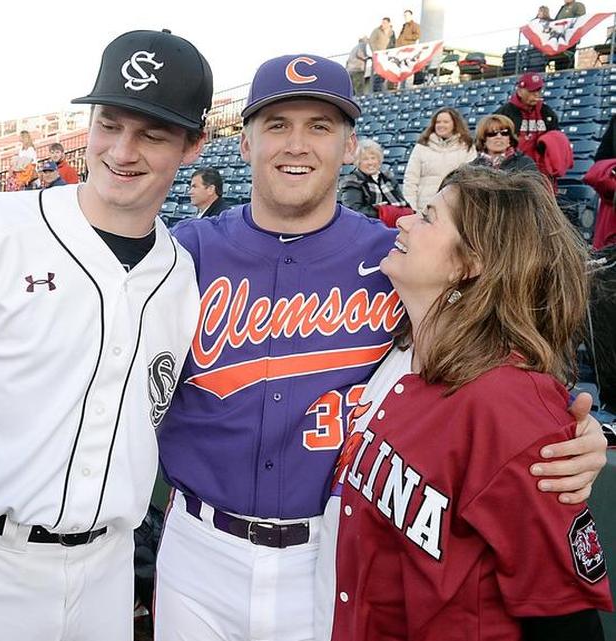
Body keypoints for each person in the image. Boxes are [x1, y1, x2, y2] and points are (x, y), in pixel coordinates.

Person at [152, 53, 607, 641]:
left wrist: (576, 433)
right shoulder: (179, 254)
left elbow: (498, 343)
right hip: (199, 549)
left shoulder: (394, 258)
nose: (297, 145)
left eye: (320, 127)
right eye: (276, 126)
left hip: (329, 555)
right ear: (243, 144)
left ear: (349, 147)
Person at [0, 29, 212, 641]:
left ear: (193, 146)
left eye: (152, 134)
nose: (122, 150)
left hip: (110, 567)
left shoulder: (182, 272)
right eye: (109, 123)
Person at [331, 167, 611, 640]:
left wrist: (577, 435)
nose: (402, 222)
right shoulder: (402, 356)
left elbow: (567, 620)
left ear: (469, 263)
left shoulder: (509, 404)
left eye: (427, 216)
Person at [403, 107, 476, 211]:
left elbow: (470, 179)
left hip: (454, 208)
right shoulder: (421, 147)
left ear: (455, 124)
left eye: (446, 122)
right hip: (425, 207)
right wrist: (411, 208)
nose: (441, 125)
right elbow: (411, 179)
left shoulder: (467, 147)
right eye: (438, 122)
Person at [495, 73, 559, 164]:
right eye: (532, 91)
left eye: (539, 90)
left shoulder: (547, 113)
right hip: (514, 170)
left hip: (542, 170)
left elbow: (557, 139)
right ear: (520, 92)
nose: (536, 94)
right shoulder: (504, 114)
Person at [339, 139, 411, 219]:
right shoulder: (351, 181)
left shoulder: (388, 179)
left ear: (379, 160)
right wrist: (383, 213)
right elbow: (354, 211)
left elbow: (404, 204)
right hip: (368, 226)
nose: (370, 163)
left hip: (394, 224)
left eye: (373, 158)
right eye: (365, 159)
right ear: (358, 162)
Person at [469, 114, 539, 173]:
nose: (499, 137)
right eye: (492, 133)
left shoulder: (525, 163)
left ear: (510, 139)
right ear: (483, 140)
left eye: (504, 133)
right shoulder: (472, 168)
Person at [395, 10, 422, 89]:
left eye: (407, 15)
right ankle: (401, 88)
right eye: (405, 15)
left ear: (411, 16)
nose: (405, 17)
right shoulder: (404, 26)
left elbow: (417, 35)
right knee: (402, 70)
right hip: (401, 51)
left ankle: (408, 88)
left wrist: (407, 38)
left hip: (409, 51)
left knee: (409, 70)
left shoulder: (415, 25)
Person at [369, 18, 395, 93]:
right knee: (377, 74)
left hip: (388, 56)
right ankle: (375, 91)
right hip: (378, 55)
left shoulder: (392, 32)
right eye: (383, 22)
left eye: (385, 23)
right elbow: (371, 41)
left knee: (386, 74)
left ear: (389, 23)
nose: (383, 24)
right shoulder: (376, 30)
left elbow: (393, 43)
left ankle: (386, 90)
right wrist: (375, 51)